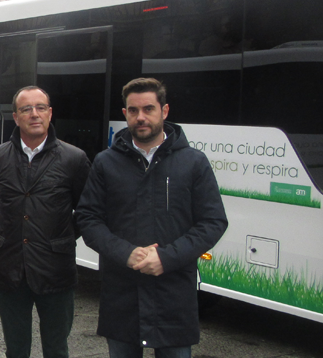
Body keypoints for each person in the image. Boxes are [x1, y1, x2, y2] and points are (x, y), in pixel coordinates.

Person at [75, 78, 228, 358]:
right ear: (125, 114)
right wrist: (126, 253)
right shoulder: (105, 162)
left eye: (148, 109)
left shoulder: (193, 162)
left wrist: (167, 258)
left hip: (174, 296)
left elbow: (213, 222)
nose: (141, 117)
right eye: (133, 111)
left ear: (165, 111)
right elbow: (88, 219)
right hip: (122, 295)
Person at [0, 86, 92, 358]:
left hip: (56, 270)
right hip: (11, 269)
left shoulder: (74, 159)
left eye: (40, 107)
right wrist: (16, 233)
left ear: (50, 113)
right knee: (16, 349)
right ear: (15, 117)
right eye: (26, 109)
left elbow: (86, 211)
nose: (34, 114)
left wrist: (60, 238)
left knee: (56, 348)